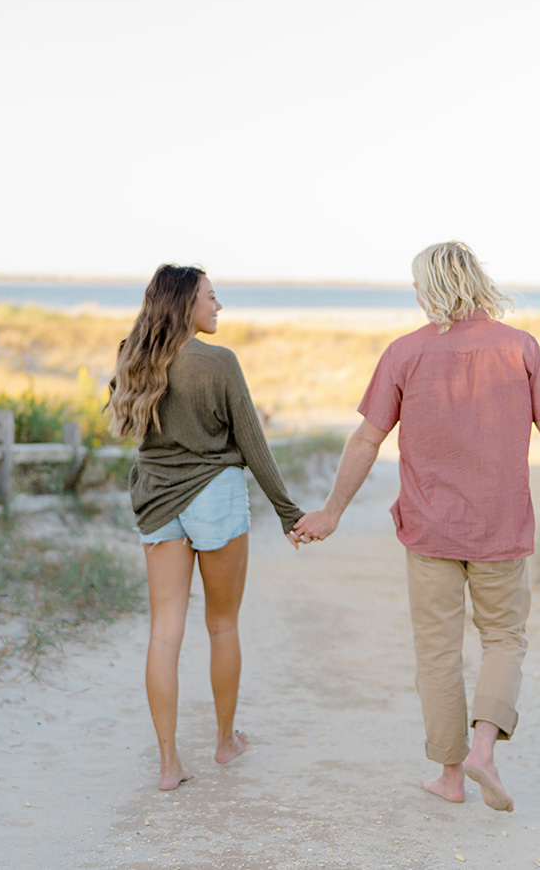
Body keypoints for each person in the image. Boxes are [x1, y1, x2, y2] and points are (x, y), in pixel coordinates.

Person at [293, 241, 540, 812]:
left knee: (438, 651)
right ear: (476, 280)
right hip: (500, 529)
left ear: (431, 287)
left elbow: (367, 440)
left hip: (429, 531)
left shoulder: (404, 354)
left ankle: (451, 777)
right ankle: (482, 752)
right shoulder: (520, 348)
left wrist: (332, 513)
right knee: (503, 637)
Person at [107, 264, 304, 790]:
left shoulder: (134, 355)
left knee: (164, 633)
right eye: (211, 299)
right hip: (214, 496)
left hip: (156, 499)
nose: (219, 308)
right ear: (186, 305)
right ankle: (224, 742)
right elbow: (254, 444)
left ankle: (169, 763)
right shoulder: (218, 362)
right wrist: (288, 511)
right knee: (222, 625)